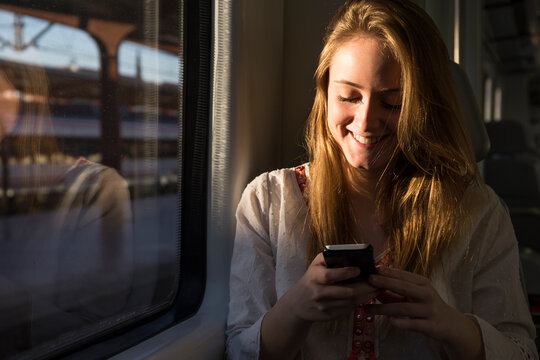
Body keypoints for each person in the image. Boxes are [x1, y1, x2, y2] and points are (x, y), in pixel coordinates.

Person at [225, 0, 538, 359]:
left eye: (393, 103)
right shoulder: (269, 202)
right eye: (348, 96)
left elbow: (522, 351)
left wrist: (453, 326)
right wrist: (294, 310)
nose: (366, 121)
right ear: (325, 92)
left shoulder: (478, 212)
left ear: (425, 105)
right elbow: (238, 349)